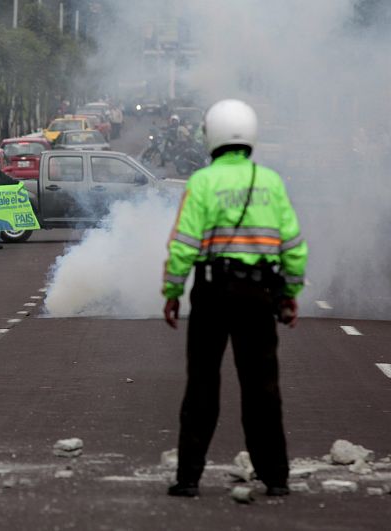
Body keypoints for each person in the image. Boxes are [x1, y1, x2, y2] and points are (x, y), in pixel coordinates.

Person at [162, 99, 308, 498]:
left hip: (211, 292)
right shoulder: (271, 183)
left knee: (202, 385)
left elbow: (183, 246)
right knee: (262, 388)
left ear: (211, 136)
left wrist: (172, 292)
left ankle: (189, 478)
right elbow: (294, 248)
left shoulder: (202, 183)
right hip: (258, 295)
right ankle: (276, 478)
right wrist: (289, 294)